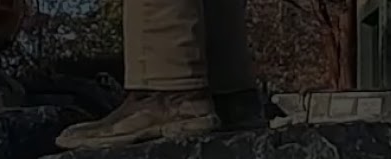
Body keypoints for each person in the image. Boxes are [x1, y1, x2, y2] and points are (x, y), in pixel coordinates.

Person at [55, 0, 264, 150]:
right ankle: (227, 96)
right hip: (231, 88)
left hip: (171, 94)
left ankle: (166, 91)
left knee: (171, 85)